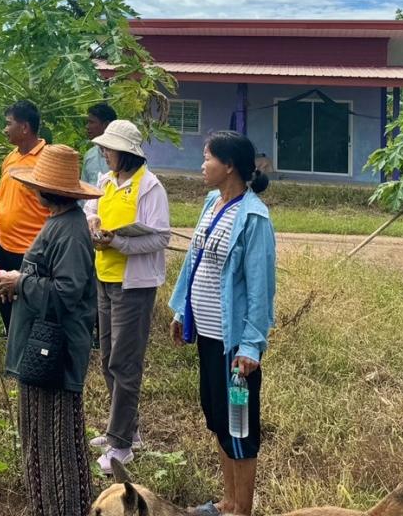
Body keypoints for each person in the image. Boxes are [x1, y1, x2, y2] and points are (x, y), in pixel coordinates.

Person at [168, 131, 276, 516]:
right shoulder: (212, 202)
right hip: (208, 337)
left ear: (229, 165)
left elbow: (261, 288)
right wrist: (183, 310)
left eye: (207, 157)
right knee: (217, 418)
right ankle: (228, 501)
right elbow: (193, 262)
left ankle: (240, 509)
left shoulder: (253, 218)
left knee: (240, 429)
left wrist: (250, 346)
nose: (202, 165)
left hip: (234, 347)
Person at [0, 144, 99, 516]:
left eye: (34, 187)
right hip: (43, 347)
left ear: (43, 192)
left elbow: (68, 292)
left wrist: (21, 282)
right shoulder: (61, 222)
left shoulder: (68, 230)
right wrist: (20, 280)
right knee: (43, 436)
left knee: (55, 444)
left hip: (55, 350)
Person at [82, 118, 171, 475]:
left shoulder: (149, 188)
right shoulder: (106, 182)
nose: (104, 153)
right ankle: (126, 430)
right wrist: (92, 224)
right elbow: (92, 209)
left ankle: (120, 444)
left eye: (109, 149)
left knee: (125, 363)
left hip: (133, 285)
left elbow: (160, 238)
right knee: (107, 358)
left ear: (127, 153)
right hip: (105, 277)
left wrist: (117, 241)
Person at [0, 100, 48, 333]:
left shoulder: (46, 161)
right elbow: (0, 200)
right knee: (5, 301)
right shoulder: (10, 158)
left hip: (31, 252)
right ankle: (12, 348)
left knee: (31, 307)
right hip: (4, 248)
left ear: (25, 128)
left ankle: (30, 356)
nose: (4, 129)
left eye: (8, 124)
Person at [81, 102, 116, 185]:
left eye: (91, 122)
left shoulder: (123, 156)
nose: (87, 127)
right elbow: (84, 190)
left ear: (106, 125)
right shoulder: (89, 155)